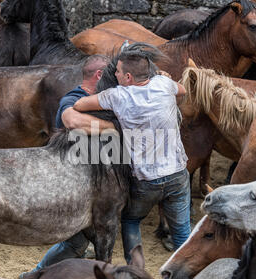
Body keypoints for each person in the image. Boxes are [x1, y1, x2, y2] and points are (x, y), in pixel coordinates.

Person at [73, 50, 191, 263]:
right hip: (177, 173)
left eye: (117, 71)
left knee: (131, 220)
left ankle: (136, 269)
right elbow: (181, 91)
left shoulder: (117, 95)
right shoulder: (164, 85)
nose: (115, 75)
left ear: (127, 77)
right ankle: (189, 276)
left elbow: (79, 105)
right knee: (182, 230)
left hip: (145, 180)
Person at [19, 55, 112, 279]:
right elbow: (71, 123)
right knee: (76, 241)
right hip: (73, 181)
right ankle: (36, 274)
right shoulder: (72, 99)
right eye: (110, 74)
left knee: (80, 241)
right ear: (99, 75)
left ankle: (36, 274)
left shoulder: (99, 98)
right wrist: (114, 127)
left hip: (91, 183)